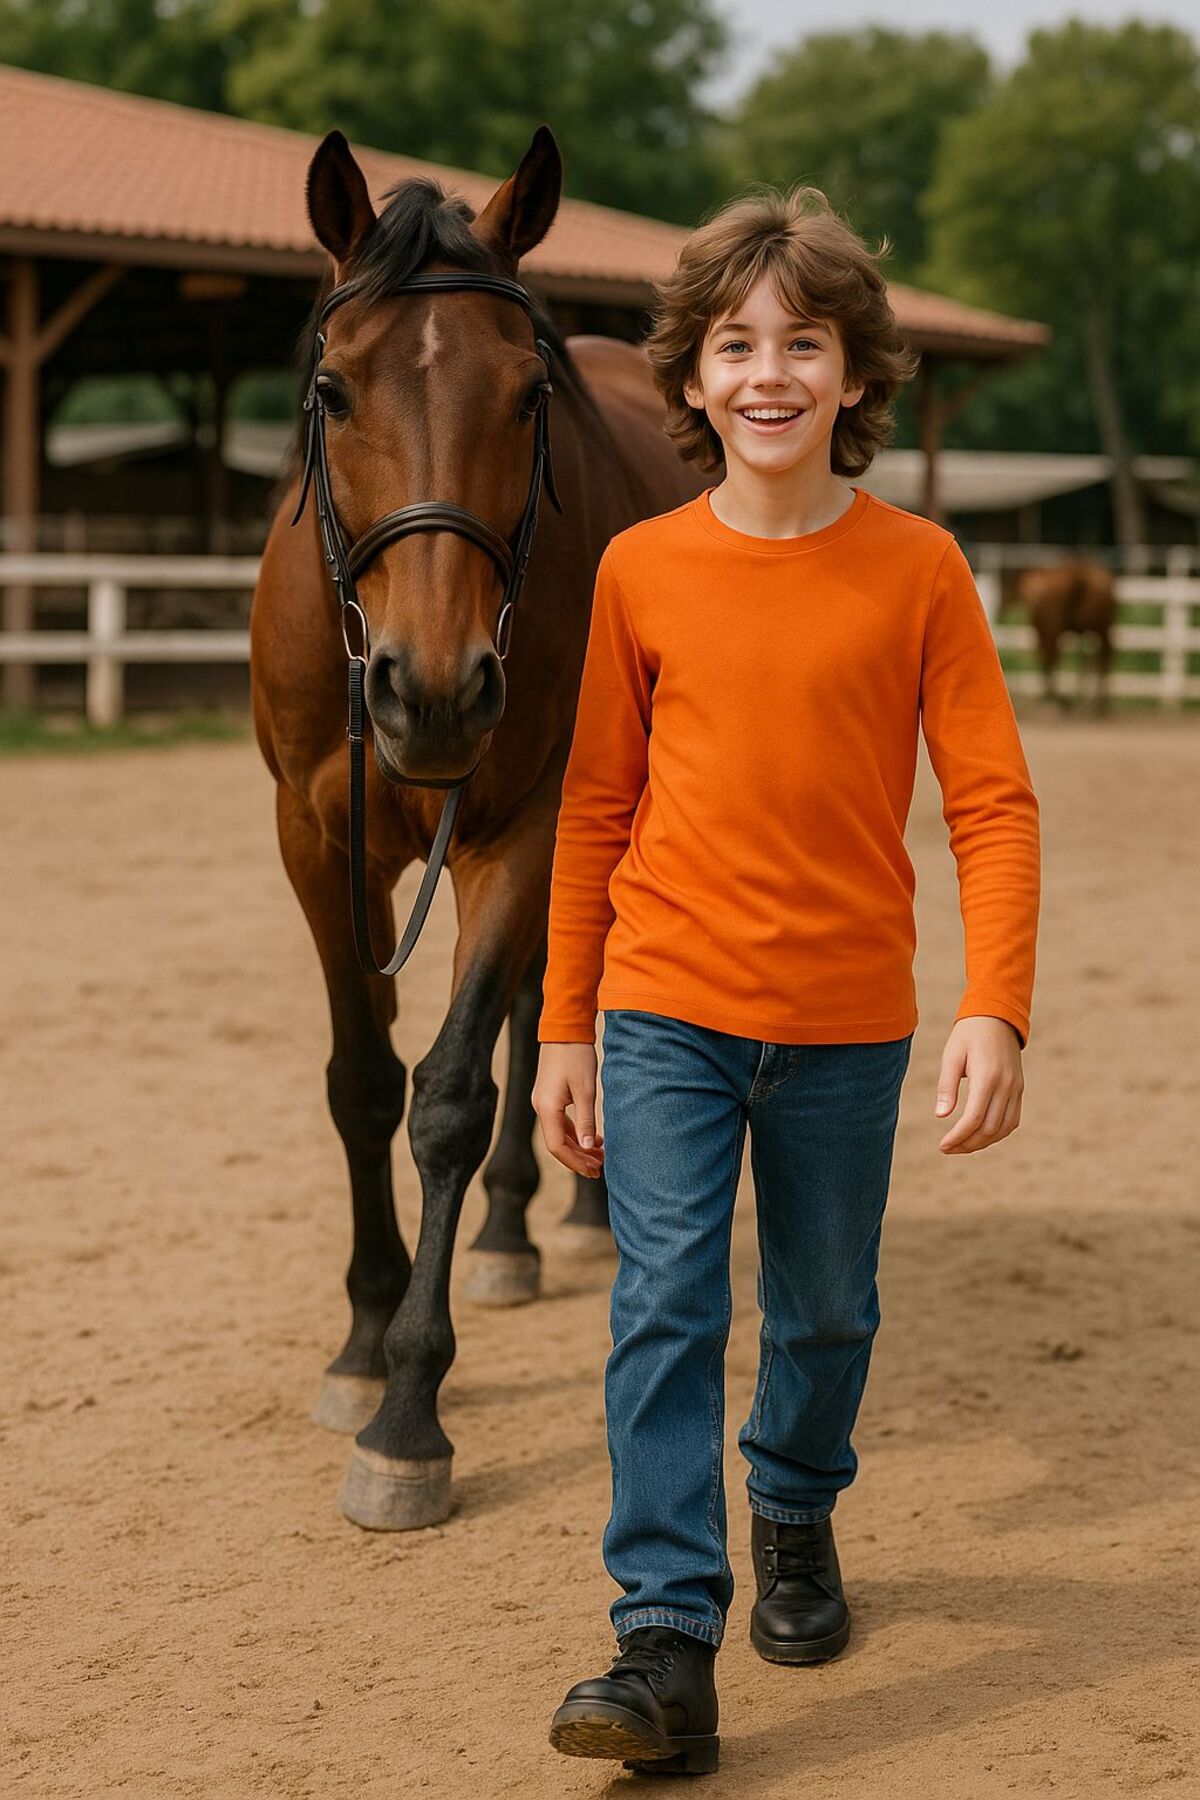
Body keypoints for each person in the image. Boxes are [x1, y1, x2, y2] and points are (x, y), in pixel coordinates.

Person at [532, 183, 1041, 1776]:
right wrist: (562, 1024)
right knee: (663, 1304)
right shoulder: (639, 573)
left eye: (803, 342)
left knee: (824, 1316)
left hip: (843, 1030)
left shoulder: (920, 572)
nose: (769, 372)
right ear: (690, 380)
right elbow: (596, 807)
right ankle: (663, 1637)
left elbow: (991, 803)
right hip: (667, 1010)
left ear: (854, 377)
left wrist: (993, 1000)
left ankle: (796, 1507)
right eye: (736, 344)